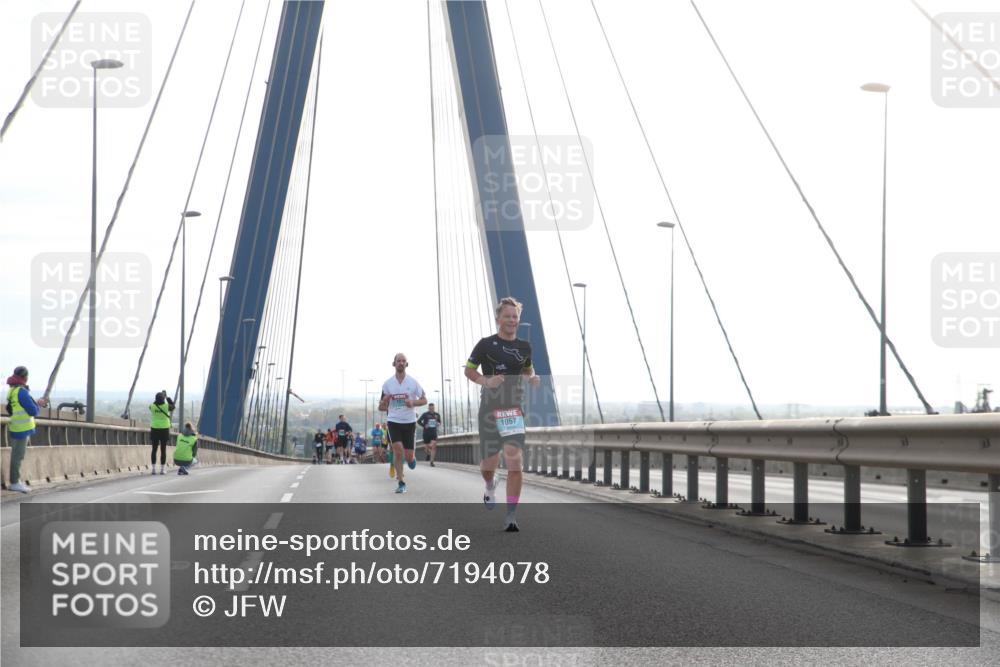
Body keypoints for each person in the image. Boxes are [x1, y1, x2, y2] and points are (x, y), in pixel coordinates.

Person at [464, 297, 540, 532]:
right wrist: (486, 381)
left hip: (513, 410)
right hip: (489, 410)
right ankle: (490, 483)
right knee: (489, 465)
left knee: (514, 460)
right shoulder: (486, 344)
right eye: (507, 316)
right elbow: (469, 370)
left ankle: (511, 515)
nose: (511, 320)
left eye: (515, 316)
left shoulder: (525, 347)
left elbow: (527, 370)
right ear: (498, 319)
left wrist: (533, 378)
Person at [378, 353, 427, 493]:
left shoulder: (413, 382)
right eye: (398, 361)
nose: (401, 363)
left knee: (409, 456)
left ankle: (412, 460)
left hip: (409, 422)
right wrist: (384, 402)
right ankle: (401, 482)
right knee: (398, 451)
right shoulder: (387, 384)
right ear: (394, 364)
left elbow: (424, 400)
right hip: (393, 421)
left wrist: (413, 402)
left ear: (406, 364)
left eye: (403, 361)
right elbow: (381, 408)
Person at [5, 366, 48, 493]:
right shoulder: (22, 392)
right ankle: (14, 482)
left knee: (16, 455)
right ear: (25, 377)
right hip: (22, 429)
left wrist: (35, 402)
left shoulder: (12, 390)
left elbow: (12, 408)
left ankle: (16, 481)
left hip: (15, 427)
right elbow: (33, 411)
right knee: (18, 456)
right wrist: (38, 405)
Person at [149, 390, 175, 475]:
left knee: (154, 449)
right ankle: (162, 469)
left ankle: (153, 469)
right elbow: (173, 406)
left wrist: (157, 399)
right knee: (163, 450)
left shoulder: (152, 406)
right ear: (163, 399)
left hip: (155, 428)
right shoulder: (166, 406)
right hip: (164, 429)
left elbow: (152, 404)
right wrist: (167, 397)